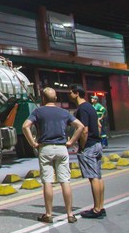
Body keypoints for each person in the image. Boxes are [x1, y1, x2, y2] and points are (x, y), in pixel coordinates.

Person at [22, 87, 85, 224]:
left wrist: (33, 143)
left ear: (43, 99)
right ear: (55, 98)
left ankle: (49, 214)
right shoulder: (63, 112)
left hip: (45, 148)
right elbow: (80, 126)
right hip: (62, 148)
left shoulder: (38, 112)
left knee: (48, 181)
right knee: (65, 181)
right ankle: (70, 214)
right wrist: (71, 142)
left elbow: (25, 126)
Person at [71, 87, 106, 219]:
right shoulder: (91, 107)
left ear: (77, 93)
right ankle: (101, 206)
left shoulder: (82, 109)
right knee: (98, 176)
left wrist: (82, 146)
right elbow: (98, 125)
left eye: (71, 92)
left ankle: (96, 209)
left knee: (93, 178)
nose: (70, 94)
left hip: (89, 146)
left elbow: (84, 130)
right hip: (97, 144)